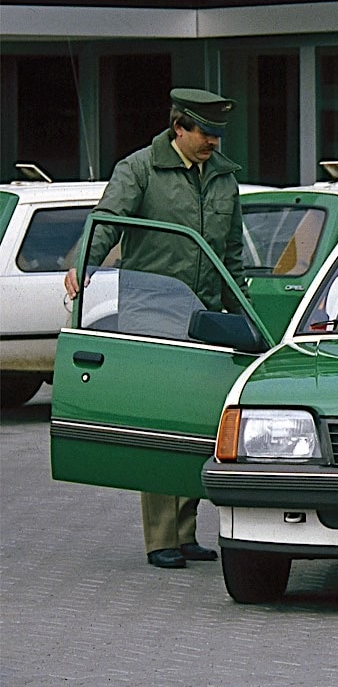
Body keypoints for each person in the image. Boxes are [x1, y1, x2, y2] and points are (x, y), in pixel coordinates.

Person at [64, 87, 245, 570]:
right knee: (165, 421)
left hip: (203, 312)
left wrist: (241, 308)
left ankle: (187, 531)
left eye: (218, 135)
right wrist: (83, 265)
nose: (213, 143)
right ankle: (161, 537)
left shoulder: (225, 178)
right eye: (205, 133)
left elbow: (231, 253)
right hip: (152, 308)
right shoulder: (139, 168)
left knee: (199, 423)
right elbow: (107, 220)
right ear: (178, 128)